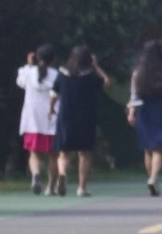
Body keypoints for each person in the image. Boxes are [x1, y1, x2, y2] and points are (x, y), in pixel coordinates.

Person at [50, 45, 110, 198]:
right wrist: (96, 66)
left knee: (64, 153)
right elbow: (106, 82)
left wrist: (50, 108)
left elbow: (54, 93)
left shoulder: (62, 74)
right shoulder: (90, 76)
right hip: (86, 117)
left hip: (66, 116)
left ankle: (62, 174)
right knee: (85, 154)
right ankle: (81, 188)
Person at [126, 40, 162, 196]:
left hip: (144, 111)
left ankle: (152, 180)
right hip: (161, 109)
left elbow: (134, 96)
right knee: (159, 148)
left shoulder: (137, 73)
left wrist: (131, 114)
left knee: (148, 149)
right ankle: (153, 179)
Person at [16, 44, 59, 195]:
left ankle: (36, 174)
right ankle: (50, 188)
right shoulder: (57, 75)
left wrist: (28, 65)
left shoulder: (29, 73)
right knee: (54, 156)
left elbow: (20, 82)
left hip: (33, 121)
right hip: (52, 120)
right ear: (53, 60)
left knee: (34, 153)